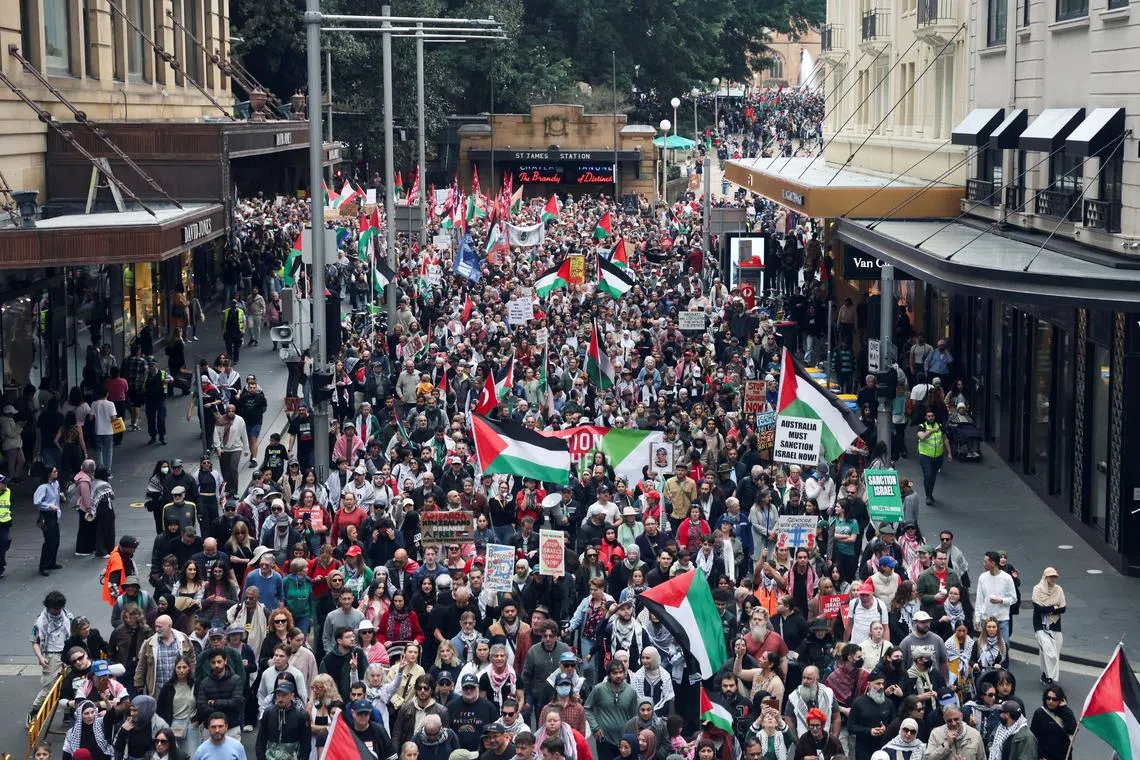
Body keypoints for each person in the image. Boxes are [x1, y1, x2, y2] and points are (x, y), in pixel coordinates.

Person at [255, 681, 310, 760]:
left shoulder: (302, 715)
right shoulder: (268, 712)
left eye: (284, 695)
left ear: (292, 696)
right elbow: (261, 739)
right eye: (278, 695)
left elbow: (306, 744)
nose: (280, 699)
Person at [1030, 568, 1066, 686]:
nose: (1054, 579)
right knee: (1048, 651)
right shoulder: (1037, 589)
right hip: (1040, 625)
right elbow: (1039, 609)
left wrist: (1050, 609)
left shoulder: (1059, 590)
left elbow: (1063, 608)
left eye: (1055, 576)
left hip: (1055, 625)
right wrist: (1054, 607)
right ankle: (1049, 676)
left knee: (1055, 651)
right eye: (1051, 576)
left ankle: (1046, 675)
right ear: (1045, 577)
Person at [1028, 685, 1076, 760]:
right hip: (1044, 757)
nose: (1050, 701)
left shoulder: (1066, 713)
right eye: (1048, 698)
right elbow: (1033, 737)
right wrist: (1040, 756)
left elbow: (1072, 729)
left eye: (1054, 699)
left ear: (1060, 700)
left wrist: (1064, 709)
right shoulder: (1039, 713)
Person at [914, 410, 949, 506]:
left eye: (932, 416)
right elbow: (922, 437)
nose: (931, 418)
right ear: (926, 417)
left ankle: (930, 493)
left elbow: (945, 439)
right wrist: (931, 431)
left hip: (938, 456)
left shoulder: (940, 426)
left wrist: (949, 453)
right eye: (928, 416)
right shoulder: (922, 426)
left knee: (932, 477)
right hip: (925, 455)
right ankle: (928, 496)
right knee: (928, 475)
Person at [35, 465, 63, 576]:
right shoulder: (43, 487)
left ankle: (52, 561)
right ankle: (43, 566)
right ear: (49, 474)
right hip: (47, 515)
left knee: (56, 539)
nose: (56, 473)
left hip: (55, 514)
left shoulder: (56, 484)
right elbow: (37, 502)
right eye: (54, 472)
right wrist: (48, 506)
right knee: (49, 541)